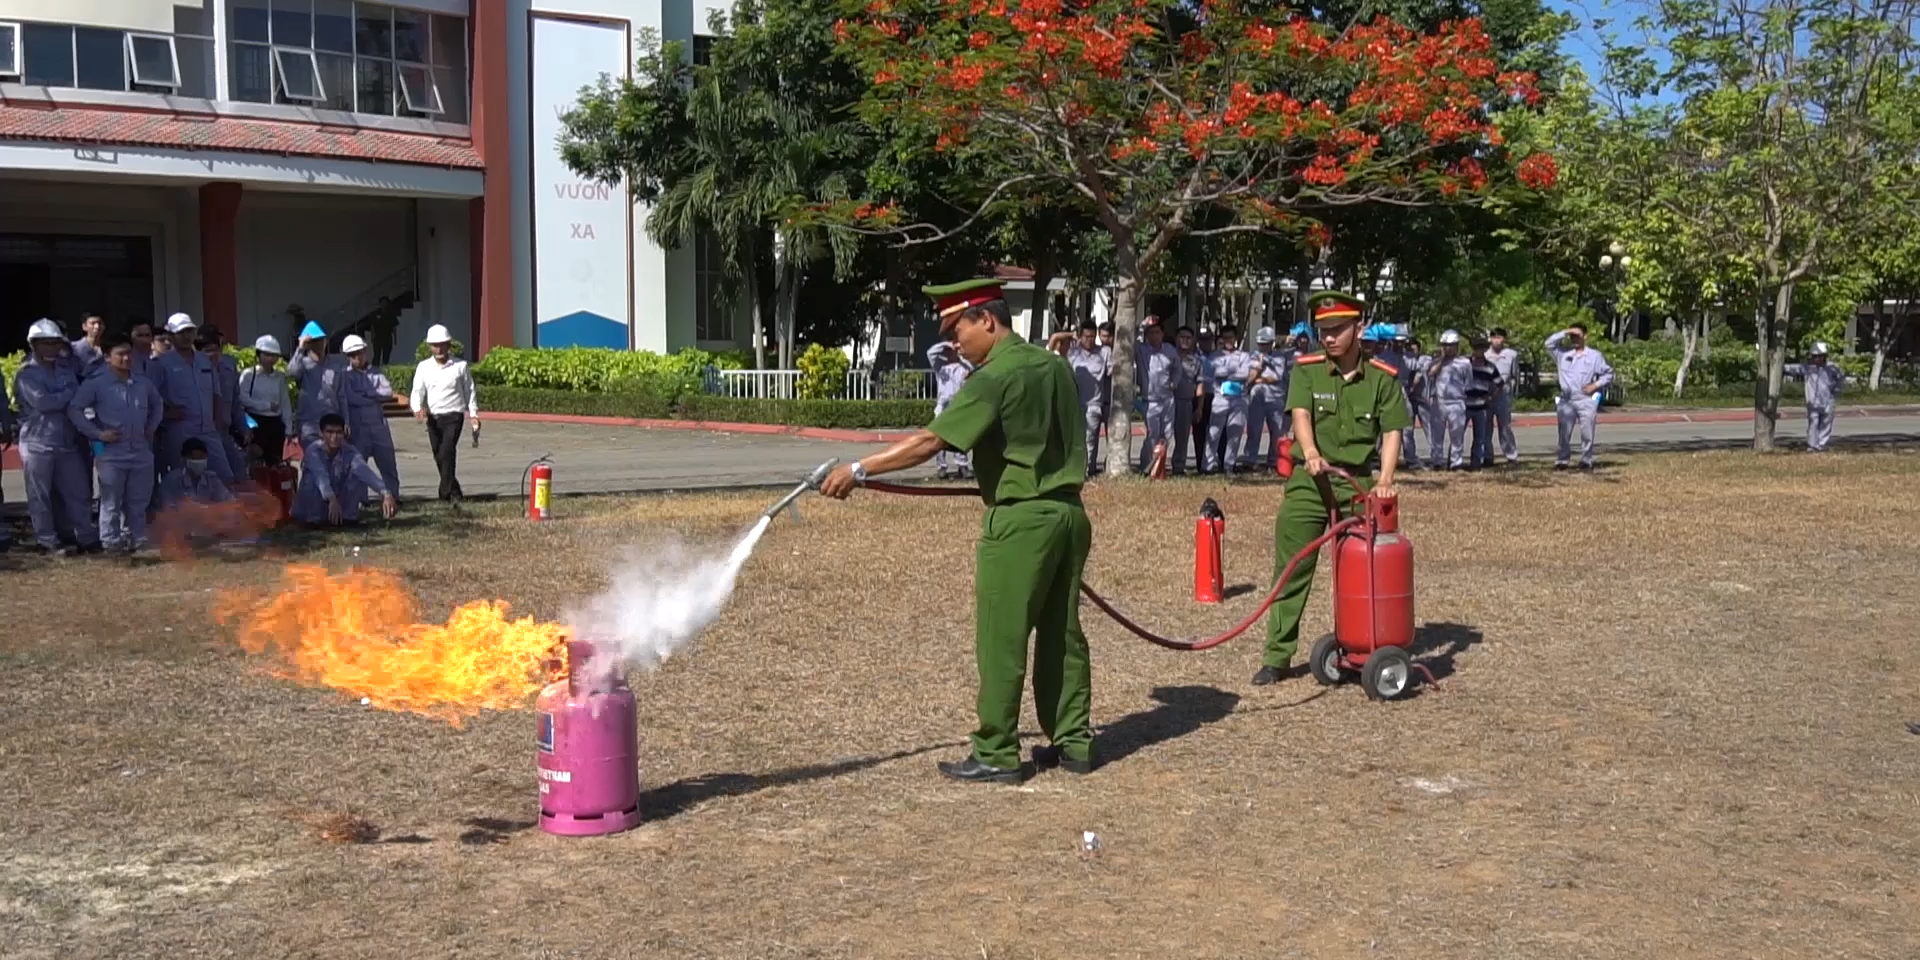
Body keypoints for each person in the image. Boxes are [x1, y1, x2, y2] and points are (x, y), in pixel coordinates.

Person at [820, 278, 1093, 783]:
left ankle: (996, 751)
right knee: (1062, 633)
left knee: (1002, 637)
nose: (952, 343)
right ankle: (1074, 741)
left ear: (987, 320)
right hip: (1069, 515)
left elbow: (931, 442)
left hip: (1019, 522)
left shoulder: (993, 378)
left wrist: (859, 470)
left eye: (957, 329)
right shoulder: (1052, 365)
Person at [1258, 292, 1406, 685]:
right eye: (1323, 330)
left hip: (1356, 483)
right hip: (1312, 480)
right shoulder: (1306, 370)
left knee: (1367, 569)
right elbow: (1301, 415)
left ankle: (1364, 643)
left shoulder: (1381, 378)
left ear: (1359, 329)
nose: (1329, 337)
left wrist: (1385, 481)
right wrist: (1309, 452)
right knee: (1292, 567)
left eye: (1338, 329)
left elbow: (1392, 431)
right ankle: (1277, 656)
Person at [14, 320, 102, 556]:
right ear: (34, 344)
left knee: (79, 492)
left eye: (56, 342)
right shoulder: (26, 374)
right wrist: (68, 396)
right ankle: (47, 541)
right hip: (37, 443)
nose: (53, 347)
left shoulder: (65, 370)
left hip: (67, 441)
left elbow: (74, 399)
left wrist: (63, 397)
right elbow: (42, 402)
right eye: (47, 343)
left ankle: (86, 536)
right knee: (40, 496)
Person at [69, 337, 163, 553]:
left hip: (140, 448)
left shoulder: (142, 382)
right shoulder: (96, 382)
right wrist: (97, 434)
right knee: (112, 500)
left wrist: (151, 427)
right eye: (120, 354)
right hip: (111, 451)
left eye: (128, 353)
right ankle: (111, 542)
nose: (126, 358)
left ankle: (137, 538)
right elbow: (75, 409)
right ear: (107, 357)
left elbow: (157, 405)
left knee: (139, 499)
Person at [147, 313, 234, 484]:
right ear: (171, 336)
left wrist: (217, 422)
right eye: (181, 333)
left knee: (224, 477)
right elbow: (150, 397)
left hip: (208, 429)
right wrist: (167, 414)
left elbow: (216, 394)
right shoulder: (161, 364)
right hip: (179, 430)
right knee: (181, 480)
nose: (186, 337)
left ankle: (219, 510)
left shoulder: (205, 361)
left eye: (189, 331)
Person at [410, 324, 478, 504]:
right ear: (430, 346)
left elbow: (469, 390)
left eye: (442, 345)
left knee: (447, 450)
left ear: (449, 345)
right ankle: (452, 490)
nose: (439, 349)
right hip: (433, 417)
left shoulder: (460, 366)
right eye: (435, 345)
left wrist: (473, 413)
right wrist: (417, 408)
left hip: (454, 415)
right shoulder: (423, 367)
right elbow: (417, 391)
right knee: (439, 455)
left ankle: (447, 493)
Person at [294, 413, 398, 526]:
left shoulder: (350, 451)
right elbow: (321, 476)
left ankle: (348, 517)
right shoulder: (313, 451)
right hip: (319, 500)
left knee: (357, 475)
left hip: (337, 501)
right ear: (321, 434)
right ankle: (313, 519)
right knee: (312, 479)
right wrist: (331, 498)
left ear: (344, 434)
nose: (334, 437)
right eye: (329, 432)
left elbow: (365, 472)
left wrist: (386, 493)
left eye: (338, 432)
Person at [1546, 324, 1615, 471]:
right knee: (1564, 433)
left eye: (1578, 336)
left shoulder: (1595, 356)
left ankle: (1586, 460)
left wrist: (1595, 385)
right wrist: (1566, 331)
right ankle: (1562, 460)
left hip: (1586, 398)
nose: (1574, 339)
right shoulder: (1562, 354)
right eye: (1572, 337)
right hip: (1567, 399)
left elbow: (1608, 373)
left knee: (1587, 432)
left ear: (1585, 336)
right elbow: (1548, 343)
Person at [341, 334, 402, 496]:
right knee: (359, 465)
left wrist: (366, 393)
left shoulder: (376, 373)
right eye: (353, 355)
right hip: (358, 427)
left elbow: (387, 392)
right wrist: (373, 396)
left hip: (379, 426)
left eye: (360, 353)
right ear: (348, 357)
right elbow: (351, 398)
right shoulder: (345, 376)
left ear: (365, 352)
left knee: (388, 463)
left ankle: (393, 495)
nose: (357, 358)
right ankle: (361, 499)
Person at [1048, 321, 1107, 475]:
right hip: (1072, 403)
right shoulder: (1072, 352)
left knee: (1089, 439)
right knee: (1071, 439)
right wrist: (1070, 334)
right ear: (1080, 337)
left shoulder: (1104, 352)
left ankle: (1086, 471)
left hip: (1093, 404)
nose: (1090, 340)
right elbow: (1054, 340)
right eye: (1086, 336)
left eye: (1093, 337)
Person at [198, 327, 251, 484]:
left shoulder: (228, 367)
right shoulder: (194, 372)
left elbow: (235, 403)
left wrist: (244, 428)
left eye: (215, 350)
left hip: (224, 432)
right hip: (202, 432)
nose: (212, 355)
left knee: (238, 475)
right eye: (207, 351)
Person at [287, 325, 349, 446]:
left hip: (332, 425)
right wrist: (300, 348)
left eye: (321, 340)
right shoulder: (303, 364)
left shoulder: (335, 366)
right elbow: (291, 373)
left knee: (332, 461)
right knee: (313, 460)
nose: (319, 344)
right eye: (314, 341)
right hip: (309, 424)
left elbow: (341, 396)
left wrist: (346, 421)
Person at [239, 336, 295, 467]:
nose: (271, 359)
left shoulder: (280, 377)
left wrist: (289, 429)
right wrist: (266, 406)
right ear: (259, 355)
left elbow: (285, 403)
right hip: (255, 422)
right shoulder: (248, 374)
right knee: (256, 460)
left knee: (275, 462)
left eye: (274, 355)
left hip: (275, 424)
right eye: (267, 355)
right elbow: (242, 398)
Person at [1241, 326, 1292, 471]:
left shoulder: (1279, 357)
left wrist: (1258, 378)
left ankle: (1274, 461)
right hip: (1257, 398)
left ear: (1272, 343)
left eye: (1266, 343)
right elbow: (1249, 378)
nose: (1263, 346)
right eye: (1261, 344)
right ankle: (1250, 460)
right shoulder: (1253, 356)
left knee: (1276, 431)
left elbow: (1274, 378)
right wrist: (1259, 366)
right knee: (1253, 430)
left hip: (1275, 398)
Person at [1204, 326, 1252, 474]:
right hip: (1220, 398)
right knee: (1214, 433)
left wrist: (1226, 373)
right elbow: (1213, 373)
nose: (1228, 341)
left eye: (1231, 337)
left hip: (1239, 399)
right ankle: (1208, 465)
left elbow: (1244, 374)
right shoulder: (1214, 356)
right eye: (1225, 338)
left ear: (1235, 338)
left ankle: (1228, 465)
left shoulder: (1244, 356)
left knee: (1235, 433)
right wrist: (1232, 372)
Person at [1135, 316, 1179, 473]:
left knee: (1167, 435)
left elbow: (1177, 368)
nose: (1154, 336)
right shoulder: (1142, 350)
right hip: (1150, 400)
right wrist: (1142, 325)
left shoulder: (1169, 350)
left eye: (1157, 332)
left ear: (1162, 334)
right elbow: (1132, 340)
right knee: (1152, 435)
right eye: (1151, 333)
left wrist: (1174, 382)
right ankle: (1147, 466)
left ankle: (1160, 466)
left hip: (1168, 399)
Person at [927, 337, 975, 479]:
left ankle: (962, 465)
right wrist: (945, 345)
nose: (949, 354)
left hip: (958, 405)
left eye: (951, 352)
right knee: (939, 438)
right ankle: (942, 467)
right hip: (943, 407)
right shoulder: (941, 368)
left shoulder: (963, 368)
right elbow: (930, 353)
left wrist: (959, 354)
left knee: (959, 437)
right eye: (947, 352)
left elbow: (973, 368)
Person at [1428, 330, 1471, 470]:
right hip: (1439, 402)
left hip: (1457, 402)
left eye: (1451, 345)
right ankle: (1437, 462)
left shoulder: (1464, 363)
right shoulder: (1436, 361)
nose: (1448, 348)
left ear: (1457, 345)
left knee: (1457, 435)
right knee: (1436, 435)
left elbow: (1468, 383)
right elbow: (1430, 374)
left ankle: (1455, 463)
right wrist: (1441, 359)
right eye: (1445, 345)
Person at [157, 437, 233, 509]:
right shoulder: (172, 480)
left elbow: (228, 500)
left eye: (201, 457)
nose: (198, 460)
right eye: (193, 457)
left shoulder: (212, 479)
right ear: (184, 459)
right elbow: (167, 507)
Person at [1465, 335, 1502, 469]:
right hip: (1465, 405)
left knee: (1480, 437)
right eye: (1476, 348)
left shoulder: (1490, 367)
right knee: (1457, 435)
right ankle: (1454, 462)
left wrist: (1492, 397)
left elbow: (1499, 384)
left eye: (1481, 348)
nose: (1478, 351)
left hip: (1481, 406)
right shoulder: (1465, 364)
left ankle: (1475, 463)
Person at [1486, 328, 1520, 463]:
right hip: (1487, 394)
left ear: (1504, 339)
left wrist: (1511, 391)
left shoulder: (1511, 355)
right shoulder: (1485, 355)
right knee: (1485, 427)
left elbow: (1514, 375)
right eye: (1494, 337)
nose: (1497, 340)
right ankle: (1487, 456)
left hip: (1504, 395)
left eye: (1500, 337)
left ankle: (1511, 455)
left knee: (1505, 427)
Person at [1803, 341, 1845, 452]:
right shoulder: (1808, 368)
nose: (1816, 358)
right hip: (1813, 402)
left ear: (1824, 356)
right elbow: (1793, 369)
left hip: (1828, 401)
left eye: (1819, 356)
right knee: (1813, 423)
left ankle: (1821, 445)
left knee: (1826, 423)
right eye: (1814, 356)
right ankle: (1812, 446)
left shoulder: (1832, 368)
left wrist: (1836, 390)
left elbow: (1841, 379)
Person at [1171, 325, 1201, 475]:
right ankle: (1155, 467)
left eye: (1188, 338)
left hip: (1185, 402)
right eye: (1182, 337)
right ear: (1176, 339)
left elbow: (1200, 384)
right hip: (1167, 401)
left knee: (1182, 437)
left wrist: (1199, 408)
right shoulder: (1168, 355)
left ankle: (1178, 468)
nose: (1185, 341)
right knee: (1159, 436)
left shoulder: (1195, 361)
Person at [71, 312, 107, 380]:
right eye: (93, 323)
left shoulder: (109, 349)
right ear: (84, 326)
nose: (97, 326)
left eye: (100, 323)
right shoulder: (74, 348)